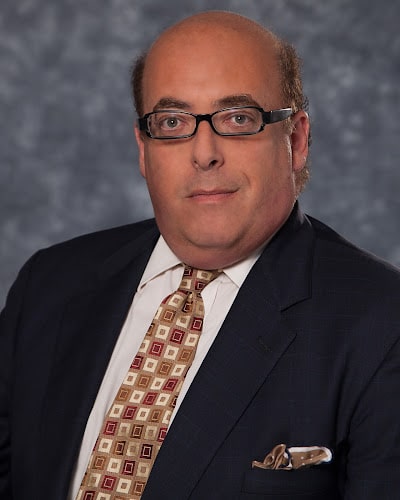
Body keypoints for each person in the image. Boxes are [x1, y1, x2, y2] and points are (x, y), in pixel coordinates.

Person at [1, 10, 399, 500]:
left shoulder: (382, 322)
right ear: (144, 149)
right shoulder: (49, 285)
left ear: (295, 141)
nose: (204, 152)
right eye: (172, 122)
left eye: (238, 119)